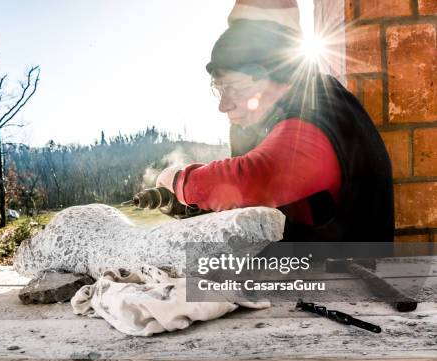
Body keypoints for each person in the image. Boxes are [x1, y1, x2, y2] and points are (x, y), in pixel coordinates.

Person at [157, 0, 394, 242]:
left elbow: (256, 177)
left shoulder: (316, 115)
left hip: (350, 275)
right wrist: (196, 206)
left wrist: (179, 181)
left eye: (236, 88)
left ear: (280, 77)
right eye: (219, 90)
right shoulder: (278, 119)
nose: (223, 105)